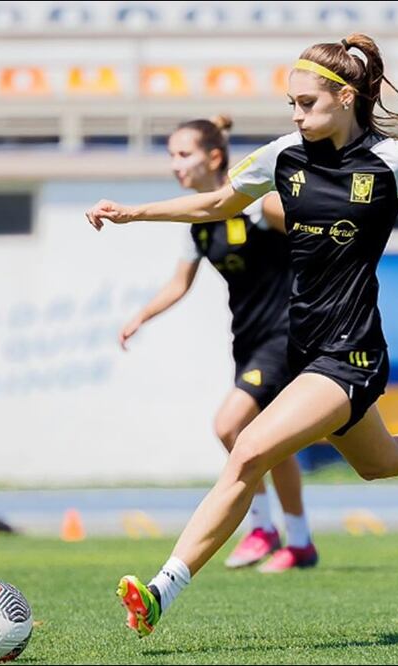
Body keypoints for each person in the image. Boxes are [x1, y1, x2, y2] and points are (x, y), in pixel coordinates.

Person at [85, 34, 398, 637]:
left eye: (306, 103)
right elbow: (217, 203)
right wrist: (133, 212)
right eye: (291, 103)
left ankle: (159, 592)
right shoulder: (283, 156)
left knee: (248, 450)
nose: (295, 115)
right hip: (306, 351)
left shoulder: (394, 161)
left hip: (351, 353)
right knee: (382, 462)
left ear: (345, 97)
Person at [119, 115, 318, 573]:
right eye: (170, 155)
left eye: (183, 154)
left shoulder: (259, 206)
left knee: (230, 426)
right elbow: (179, 284)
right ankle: (300, 541)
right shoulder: (199, 225)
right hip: (247, 341)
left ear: (213, 158)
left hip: (286, 335)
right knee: (273, 442)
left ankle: (263, 529)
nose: (175, 164)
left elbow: (315, 235)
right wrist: (140, 317)